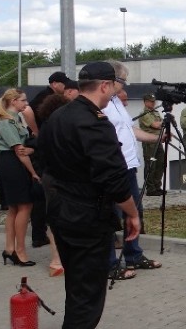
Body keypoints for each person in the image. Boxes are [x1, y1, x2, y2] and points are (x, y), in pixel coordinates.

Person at [38, 61, 141, 329]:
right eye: (114, 89)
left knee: (76, 287)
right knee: (89, 296)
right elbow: (115, 179)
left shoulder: (58, 116)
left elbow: (44, 164)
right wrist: (132, 212)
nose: (114, 96)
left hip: (61, 211)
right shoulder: (95, 123)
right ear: (105, 85)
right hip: (87, 217)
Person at [102, 60, 162, 279]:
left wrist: (156, 138)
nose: (124, 85)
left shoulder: (117, 102)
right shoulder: (102, 104)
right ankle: (109, 262)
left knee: (134, 212)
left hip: (129, 166)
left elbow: (130, 130)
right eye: (123, 80)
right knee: (111, 215)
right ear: (113, 80)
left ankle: (133, 256)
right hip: (113, 168)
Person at [0, 89, 41, 266]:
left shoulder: (14, 119)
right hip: (14, 164)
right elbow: (20, 151)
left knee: (14, 208)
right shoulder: (7, 122)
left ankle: (10, 249)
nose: (26, 104)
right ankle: (20, 251)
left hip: (11, 163)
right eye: (23, 100)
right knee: (24, 206)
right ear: (13, 101)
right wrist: (33, 173)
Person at [22, 70, 69, 249]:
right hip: (42, 149)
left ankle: (39, 234)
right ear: (55, 83)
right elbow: (27, 111)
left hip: (42, 147)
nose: (65, 87)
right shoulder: (46, 97)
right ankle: (40, 235)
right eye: (63, 83)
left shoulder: (49, 96)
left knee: (41, 196)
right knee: (43, 196)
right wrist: (37, 132)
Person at [138, 93, 166, 196]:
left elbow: (161, 124)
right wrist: (161, 123)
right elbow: (155, 125)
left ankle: (157, 186)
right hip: (149, 143)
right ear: (145, 102)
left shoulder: (155, 113)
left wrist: (161, 124)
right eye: (151, 101)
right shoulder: (144, 114)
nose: (153, 103)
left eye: (154, 101)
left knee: (160, 164)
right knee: (151, 165)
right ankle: (150, 188)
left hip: (158, 141)